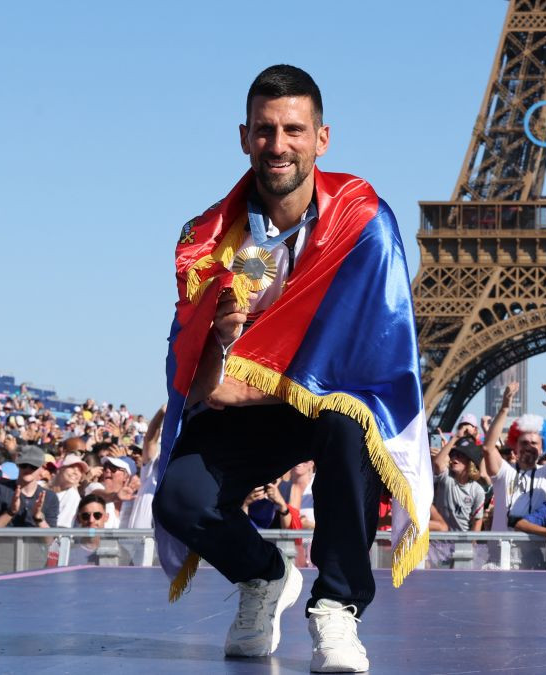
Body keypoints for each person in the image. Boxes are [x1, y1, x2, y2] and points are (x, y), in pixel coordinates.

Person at [148, 65, 431, 670]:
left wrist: (245, 386)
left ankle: (336, 606)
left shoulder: (363, 225)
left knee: (349, 423)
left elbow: (371, 363)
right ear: (245, 136)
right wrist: (222, 342)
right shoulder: (211, 242)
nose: (279, 145)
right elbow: (196, 384)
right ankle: (264, 575)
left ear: (321, 139)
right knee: (178, 499)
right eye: (265, 130)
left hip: (333, 401)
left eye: (294, 130)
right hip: (250, 403)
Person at [482, 381, 546, 532]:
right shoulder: (505, 471)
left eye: (534, 443)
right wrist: (505, 408)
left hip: (538, 551)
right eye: (524, 442)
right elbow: (488, 448)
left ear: (542, 448)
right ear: (515, 446)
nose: (529, 447)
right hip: (502, 551)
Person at [0, 446, 59, 528]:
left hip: (34, 541)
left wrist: (38, 517)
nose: (28, 469)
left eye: (33, 466)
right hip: (3, 541)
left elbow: (50, 539)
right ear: (17, 464)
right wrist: (10, 512)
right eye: (24, 465)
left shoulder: (50, 497)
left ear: (42, 468)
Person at [431, 435, 485, 532]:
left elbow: (477, 523)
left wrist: (471, 546)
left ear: (471, 462)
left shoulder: (477, 490)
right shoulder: (446, 477)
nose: (454, 459)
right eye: (453, 455)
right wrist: (455, 438)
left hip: (461, 543)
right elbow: (438, 463)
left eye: (460, 456)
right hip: (438, 541)